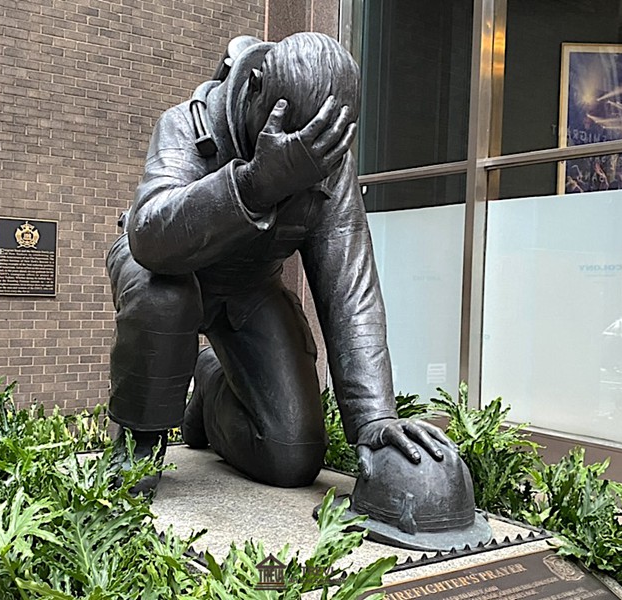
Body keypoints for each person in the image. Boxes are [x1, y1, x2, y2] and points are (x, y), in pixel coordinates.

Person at [107, 32, 451, 493]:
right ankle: (139, 441)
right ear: (254, 88)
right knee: (166, 298)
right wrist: (254, 184)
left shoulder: (327, 158)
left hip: (247, 286)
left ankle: (210, 385)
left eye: (321, 143)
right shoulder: (188, 125)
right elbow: (149, 238)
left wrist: (374, 416)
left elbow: (349, 285)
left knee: (292, 458)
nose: (307, 156)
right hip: (165, 269)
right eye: (294, 136)